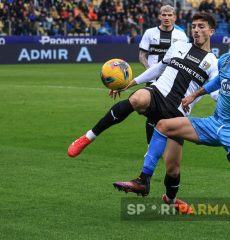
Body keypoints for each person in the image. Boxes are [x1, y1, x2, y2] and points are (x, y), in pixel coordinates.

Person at [115, 22, 230, 240]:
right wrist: (194, 94)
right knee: (164, 125)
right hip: (213, 123)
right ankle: (143, 180)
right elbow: (218, 81)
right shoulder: (226, 60)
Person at [67, 12, 219, 213]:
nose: (196, 30)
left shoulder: (214, 63)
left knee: (173, 168)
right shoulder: (179, 46)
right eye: (194, 26)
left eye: (201, 26)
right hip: (158, 92)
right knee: (137, 99)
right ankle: (87, 138)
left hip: (178, 112)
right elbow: (157, 69)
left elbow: (217, 93)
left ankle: (170, 199)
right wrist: (129, 84)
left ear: (211, 31)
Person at [138, 4, 188, 144]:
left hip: (172, 80)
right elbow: (142, 55)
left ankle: (169, 145)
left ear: (175, 17)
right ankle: (150, 146)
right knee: (152, 114)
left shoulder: (181, 36)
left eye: (170, 15)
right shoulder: (150, 33)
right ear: (159, 16)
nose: (167, 18)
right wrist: (150, 70)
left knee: (170, 113)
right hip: (154, 80)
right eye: (164, 15)